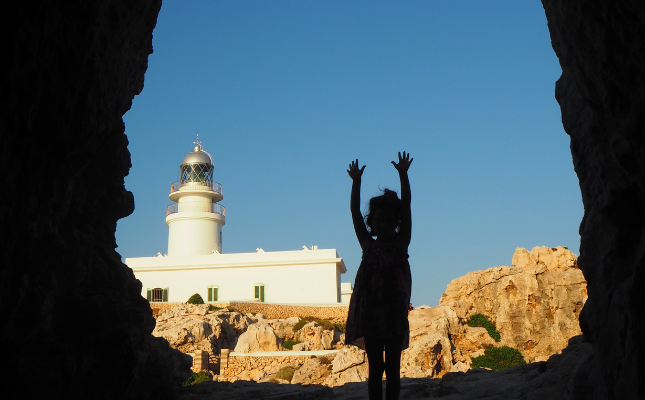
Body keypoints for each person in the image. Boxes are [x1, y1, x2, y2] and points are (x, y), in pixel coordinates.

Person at [345, 152, 413, 400]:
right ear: (371, 223)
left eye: (388, 221)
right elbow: (354, 210)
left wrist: (403, 176)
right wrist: (356, 182)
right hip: (371, 313)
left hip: (394, 314)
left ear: (396, 223)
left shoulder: (401, 244)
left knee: (393, 368)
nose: (383, 225)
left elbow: (406, 206)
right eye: (378, 221)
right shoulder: (367, 244)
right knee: (375, 368)